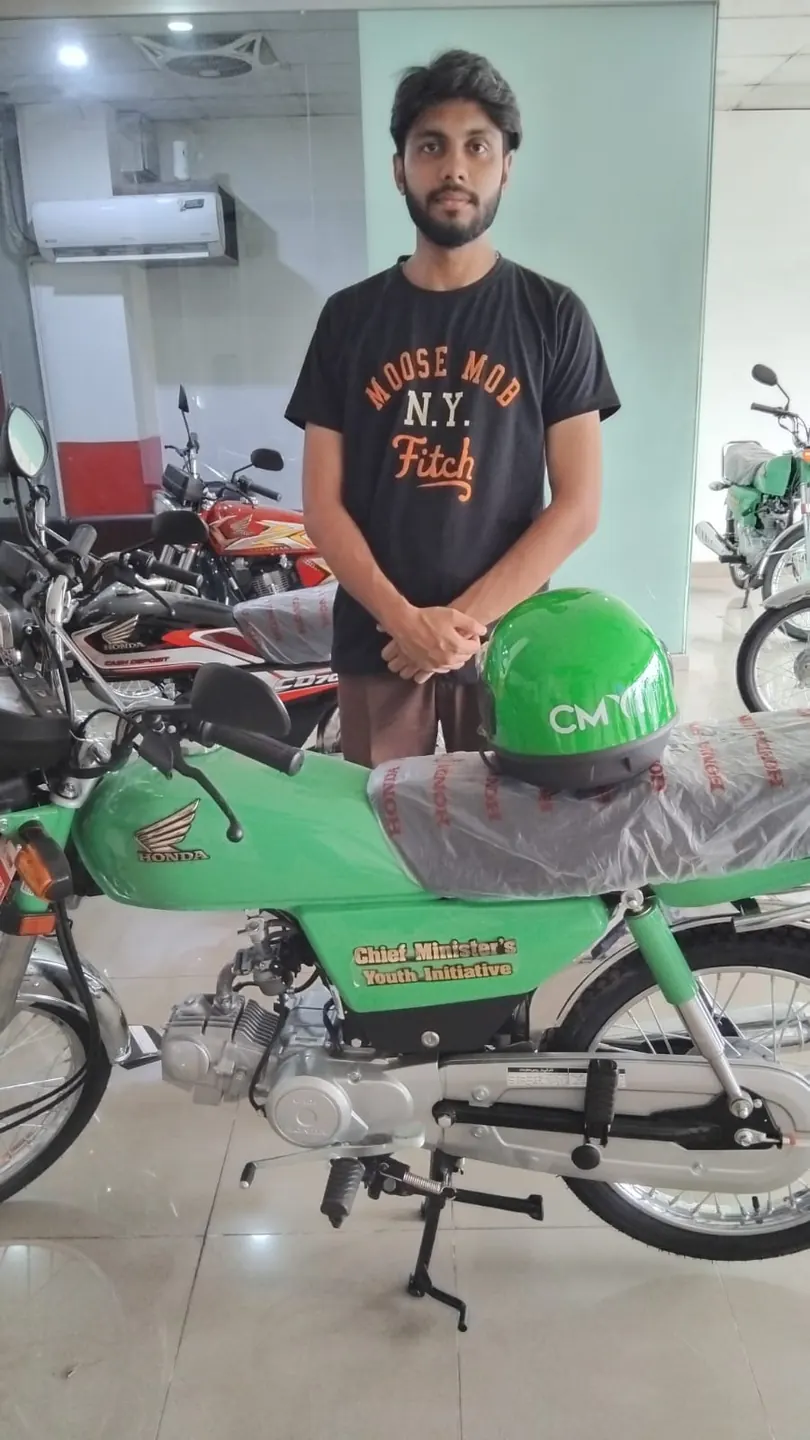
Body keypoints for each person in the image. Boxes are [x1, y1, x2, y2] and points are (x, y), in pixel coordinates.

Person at [286, 49, 619, 767]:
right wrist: (405, 623)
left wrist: (456, 626)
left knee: (506, 842)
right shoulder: (349, 320)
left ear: (506, 167)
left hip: (510, 647)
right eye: (431, 146)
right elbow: (321, 504)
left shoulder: (553, 315)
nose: (455, 168)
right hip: (380, 643)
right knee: (383, 847)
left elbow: (579, 504)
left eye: (478, 146)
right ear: (399, 167)